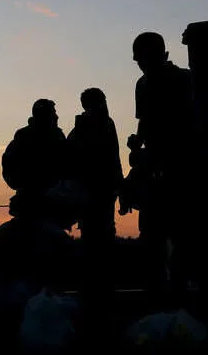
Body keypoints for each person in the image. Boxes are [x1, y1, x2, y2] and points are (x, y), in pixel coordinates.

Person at [130, 31, 196, 303]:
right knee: (152, 236)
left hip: (182, 170)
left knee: (182, 236)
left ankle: (179, 295)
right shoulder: (143, 84)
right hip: (154, 171)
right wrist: (138, 143)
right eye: (138, 61)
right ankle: (158, 296)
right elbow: (144, 122)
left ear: (159, 55)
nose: (140, 64)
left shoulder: (184, 80)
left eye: (142, 59)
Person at [67, 88, 123, 339]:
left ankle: (97, 297)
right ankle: (96, 298)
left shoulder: (96, 125)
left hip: (99, 195)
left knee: (97, 245)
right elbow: (112, 159)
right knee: (97, 246)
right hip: (95, 195)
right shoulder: (94, 125)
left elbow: (114, 158)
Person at [2, 99, 69, 221]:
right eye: (53, 113)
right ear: (44, 116)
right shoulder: (23, 137)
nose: (56, 116)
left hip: (52, 200)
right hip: (31, 202)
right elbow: (9, 166)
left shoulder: (58, 136)